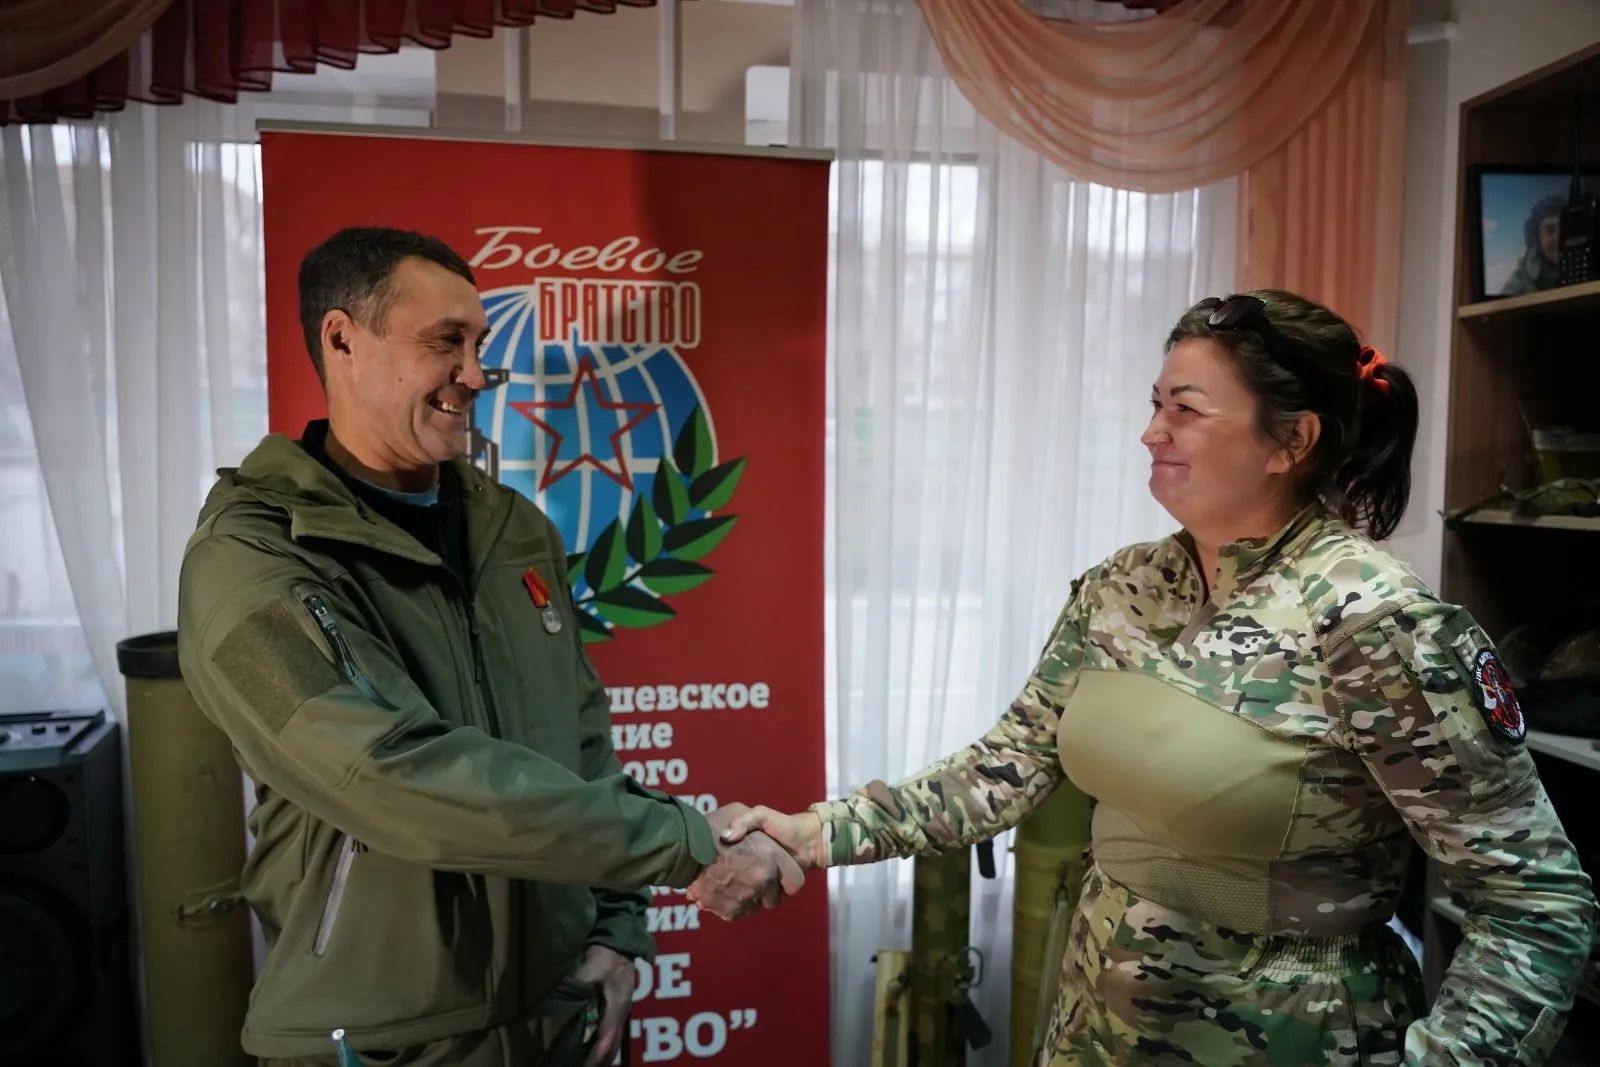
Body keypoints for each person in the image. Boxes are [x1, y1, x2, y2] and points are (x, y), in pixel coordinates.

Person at [721, 290, 1599, 1066]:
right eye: (1154, 404)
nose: (1151, 432)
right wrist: (813, 832)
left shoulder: (1375, 622)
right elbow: (1004, 767)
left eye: (1185, 410)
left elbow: (1538, 902)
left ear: (1290, 441)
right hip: (1096, 1029)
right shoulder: (1123, 586)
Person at [176, 226, 804, 1067]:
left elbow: (583, 745)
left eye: (479, 345)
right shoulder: (251, 562)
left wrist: (616, 930)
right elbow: (396, 775)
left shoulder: (514, 528)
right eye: (446, 343)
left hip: (557, 1016)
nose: (475, 375)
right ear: (342, 340)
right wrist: (683, 842)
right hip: (385, 1042)